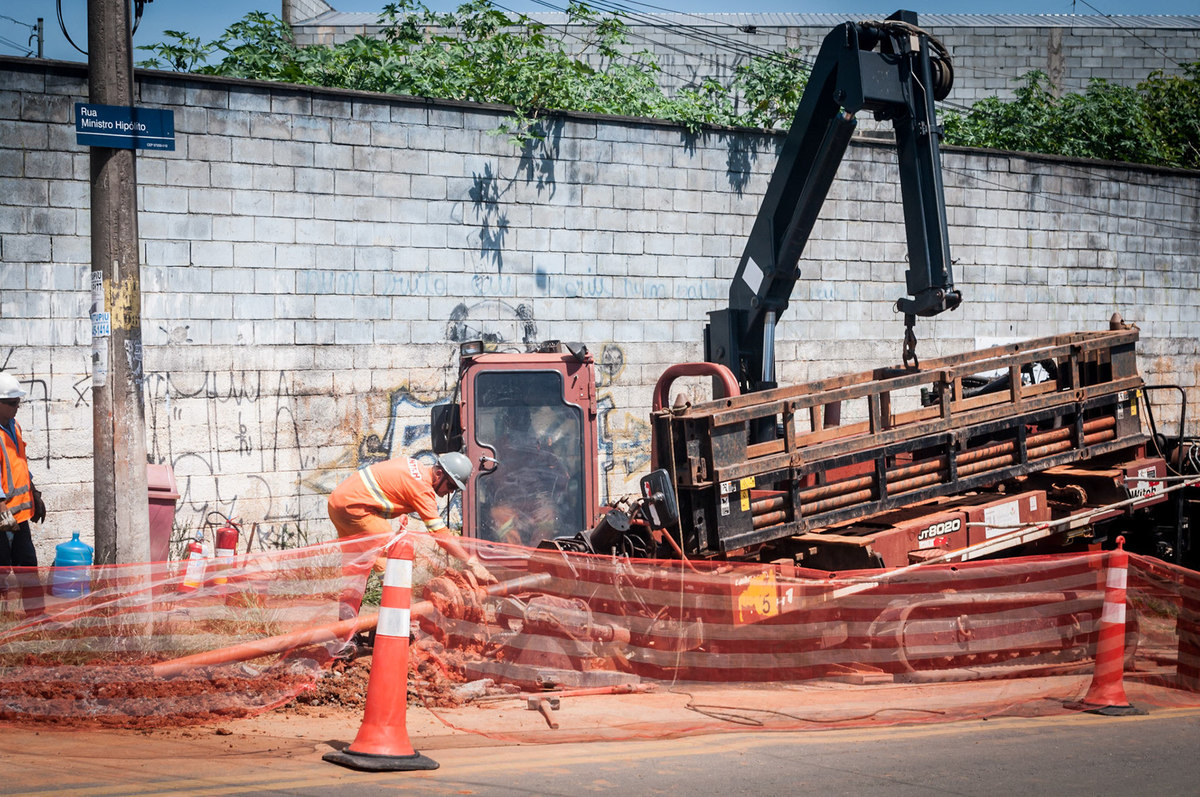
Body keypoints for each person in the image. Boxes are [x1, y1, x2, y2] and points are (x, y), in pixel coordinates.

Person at [327, 451, 494, 584]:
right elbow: (440, 534)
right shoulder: (422, 488)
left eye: (455, 489)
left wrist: (401, 512)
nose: (450, 491)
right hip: (355, 508)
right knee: (392, 558)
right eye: (451, 485)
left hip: (338, 502)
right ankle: (398, 612)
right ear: (439, 474)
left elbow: (393, 486)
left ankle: (348, 615)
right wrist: (471, 562)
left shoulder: (416, 467)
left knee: (355, 566)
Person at [0, 373, 45, 615]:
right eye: (12, 403)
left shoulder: (14, 426)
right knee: (2, 571)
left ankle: (37, 618)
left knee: (28, 566)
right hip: (3, 516)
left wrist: (33, 492)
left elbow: (19, 463)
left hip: (18, 515)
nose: (17, 406)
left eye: (18, 402)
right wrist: (2, 511)